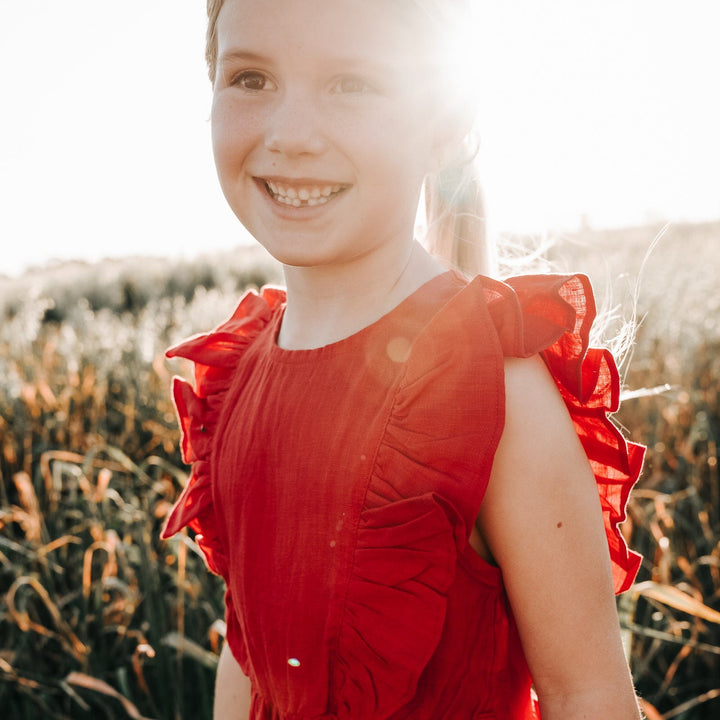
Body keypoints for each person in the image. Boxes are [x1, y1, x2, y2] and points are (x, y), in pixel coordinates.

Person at [162, 1, 645, 718]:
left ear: (442, 124)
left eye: (351, 83)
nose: (290, 134)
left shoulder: (495, 390)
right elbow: (250, 657)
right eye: (251, 78)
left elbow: (588, 694)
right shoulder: (236, 379)